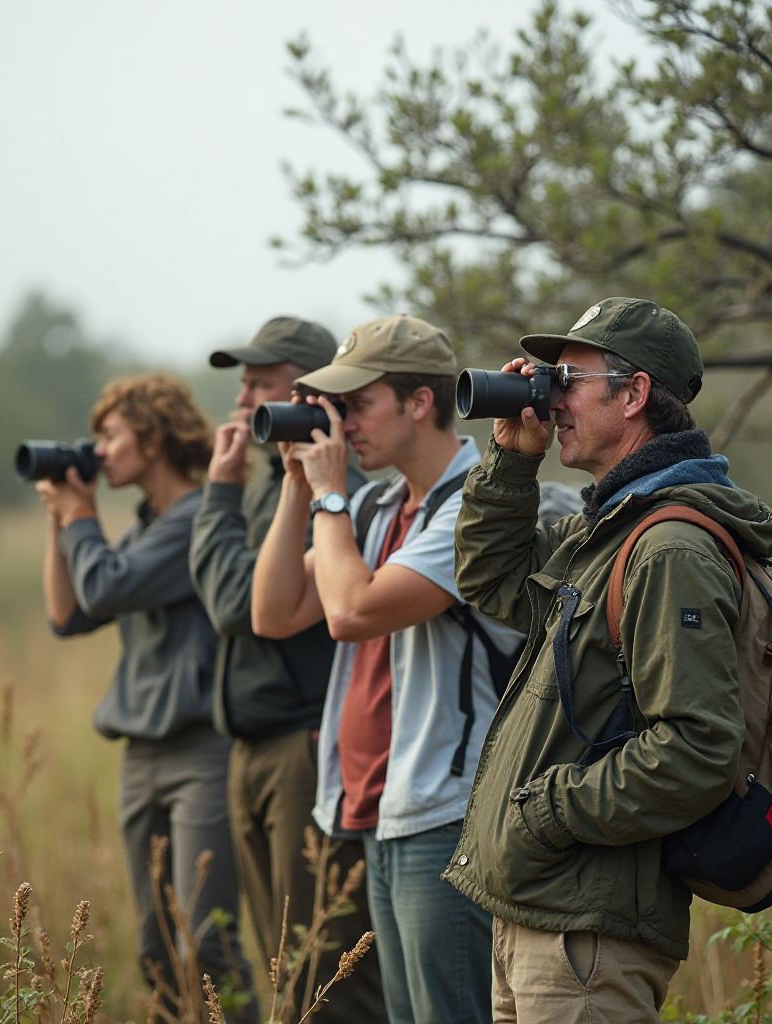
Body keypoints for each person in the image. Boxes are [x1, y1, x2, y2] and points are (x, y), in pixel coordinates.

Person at [444, 296, 772, 1022]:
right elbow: (491, 582)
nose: (552, 397)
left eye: (568, 378)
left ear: (633, 395)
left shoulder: (669, 547)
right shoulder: (608, 528)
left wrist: (545, 812)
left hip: (586, 938)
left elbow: (696, 748)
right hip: (543, 916)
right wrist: (511, 458)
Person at [251, 314, 520, 1024]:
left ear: (419, 402)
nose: (343, 425)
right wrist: (297, 485)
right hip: (383, 808)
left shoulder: (474, 508)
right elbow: (274, 613)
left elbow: (351, 612)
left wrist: (331, 496)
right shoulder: (375, 507)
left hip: (451, 812)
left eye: (357, 404)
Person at [35, 373, 255, 1017]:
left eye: (111, 435)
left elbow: (102, 587)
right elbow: (68, 614)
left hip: (202, 755)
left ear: (154, 439)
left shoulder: (195, 522)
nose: (98, 451)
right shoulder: (146, 527)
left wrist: (80, 515)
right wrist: (59, 518)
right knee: (155, 947)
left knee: (207, 942)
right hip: (142, 756)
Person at [188, 316, 383, 1021]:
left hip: (306, 747)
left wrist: (217, 491)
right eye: (240, 385)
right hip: (256, 744)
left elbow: (235, 604)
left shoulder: (340, 490)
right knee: (283, 965)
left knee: (323, 966)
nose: (242, 401)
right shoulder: (280, 482)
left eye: (258, 384)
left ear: (305, 391)